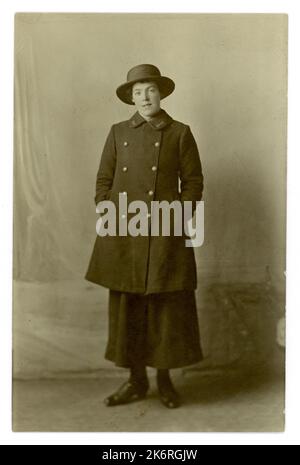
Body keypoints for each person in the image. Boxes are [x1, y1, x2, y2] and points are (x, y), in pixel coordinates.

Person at [85, 64, 204, 408]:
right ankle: (135, 381)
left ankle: (164, 382)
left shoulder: (180, 133)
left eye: (150, 90)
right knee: (129, 309)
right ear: (130, 98)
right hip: (124, 232)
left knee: (166, 308)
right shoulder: (118, 132)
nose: (144, 97)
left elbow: (193, 183)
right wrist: (109, 212)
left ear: (161, 93)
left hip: (166, 231)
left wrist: (178, 219)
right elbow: (102, 181)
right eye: (137, 92)